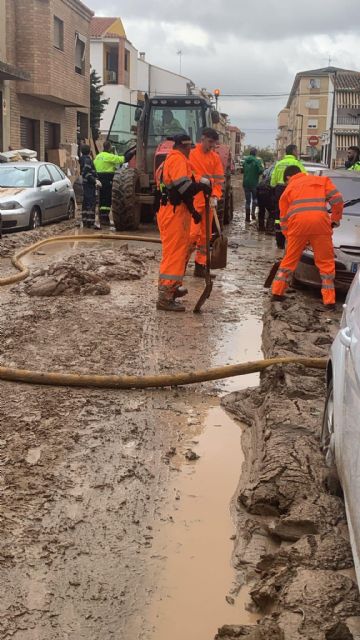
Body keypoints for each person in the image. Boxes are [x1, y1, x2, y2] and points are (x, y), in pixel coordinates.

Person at [271, 165, 344, 309]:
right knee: (326, 263)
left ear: (288, 178)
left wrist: (291, 238)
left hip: (298, 226)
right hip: (320, 224)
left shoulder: (287, 191)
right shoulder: (321, 180)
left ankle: (277, 293)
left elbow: (284, 220)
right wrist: (335, 219)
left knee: (289, 261)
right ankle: (329, 301)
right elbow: (338, 199)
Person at [156, 133, 211, 311]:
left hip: (176, 211)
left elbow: (182, 189)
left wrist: (193, 211)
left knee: (179, 251)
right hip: (174, 213)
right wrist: (200, 187)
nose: (191, 150)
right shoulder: (177, 160)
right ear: (185, 146)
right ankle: (165, 296)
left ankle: (172, 288)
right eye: (190, 147)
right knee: (174, 254)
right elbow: (185, 188)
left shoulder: (173, 160)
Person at [188, 127, 224, 277]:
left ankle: (200, 266)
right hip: (194, 201)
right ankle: (180, 264)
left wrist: (215, 196)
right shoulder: (191, 154)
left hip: (208, 202)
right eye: (210, 142)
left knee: (205, 236)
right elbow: (186, 173)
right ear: (202, 139)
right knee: (192, 235)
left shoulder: (215, 158)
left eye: (214, 143)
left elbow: (219, 181)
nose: (211, 146)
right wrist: (198, 179)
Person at [270, 144, 306, 248]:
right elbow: (305, 178)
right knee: (293, 215)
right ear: (294, 151)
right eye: (297, 150)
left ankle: (279, 242)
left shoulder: (279, 163)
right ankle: (290, 241)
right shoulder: (297, 164)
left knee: (279, 215)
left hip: (280, 190)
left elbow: (273, 181)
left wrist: (275, 189)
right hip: (294, 190)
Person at [94, 141, 135, 224]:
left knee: (101, 198)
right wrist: (132, 152)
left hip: (98, 178)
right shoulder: (110, 156)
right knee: (107, 197)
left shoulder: (98, 157)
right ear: (109, 148)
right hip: (107, 178)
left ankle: (101, 217)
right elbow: (123, 159)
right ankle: (105, 218)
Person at [242, 148, 263, 222]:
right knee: (255, 199)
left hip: (246, 183)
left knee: (247, 201)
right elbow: (260, 171)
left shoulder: (245, 161)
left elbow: (242, 170)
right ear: (255, 153)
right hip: (254, 183)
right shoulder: (257, 161)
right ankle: (253, 214)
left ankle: (247, 217)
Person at [80, 144, 98, 228]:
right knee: (90, 203)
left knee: (86, 202)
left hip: (86, 184)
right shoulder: (87, 160)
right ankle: (90, 223)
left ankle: (85, 221)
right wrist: (95, 181)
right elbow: (87, 173)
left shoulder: (83, 159)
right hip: (89, 185)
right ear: (89, 151)